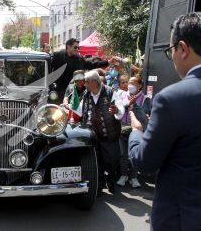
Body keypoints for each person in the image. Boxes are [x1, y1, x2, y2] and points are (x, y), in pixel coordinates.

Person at [129, 12, 201, 231]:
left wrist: (136, 132)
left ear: (182, 48)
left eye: (171, 52)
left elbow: (145, 161)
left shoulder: (172, 99)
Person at [79, 70, 124, 195]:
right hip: (92, 136)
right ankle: (98, 186)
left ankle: (110, 179)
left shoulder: (110, 92)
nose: (84, 84)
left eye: (87, 82)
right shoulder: (86, 95)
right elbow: (79, 110)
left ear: (94, 82)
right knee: (96, 163)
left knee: (111, 162)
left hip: (109, 136)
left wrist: (116, 111)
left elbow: (120, 109)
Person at [51, 38, 111, 104]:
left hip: (75, 90)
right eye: (75, 47)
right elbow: (48, 69)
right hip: (59, 90)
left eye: (78, 48)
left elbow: (91, 65)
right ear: (68, 46)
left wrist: (107, 62)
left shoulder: (79, 58)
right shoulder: (58, 55)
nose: (77, 49)